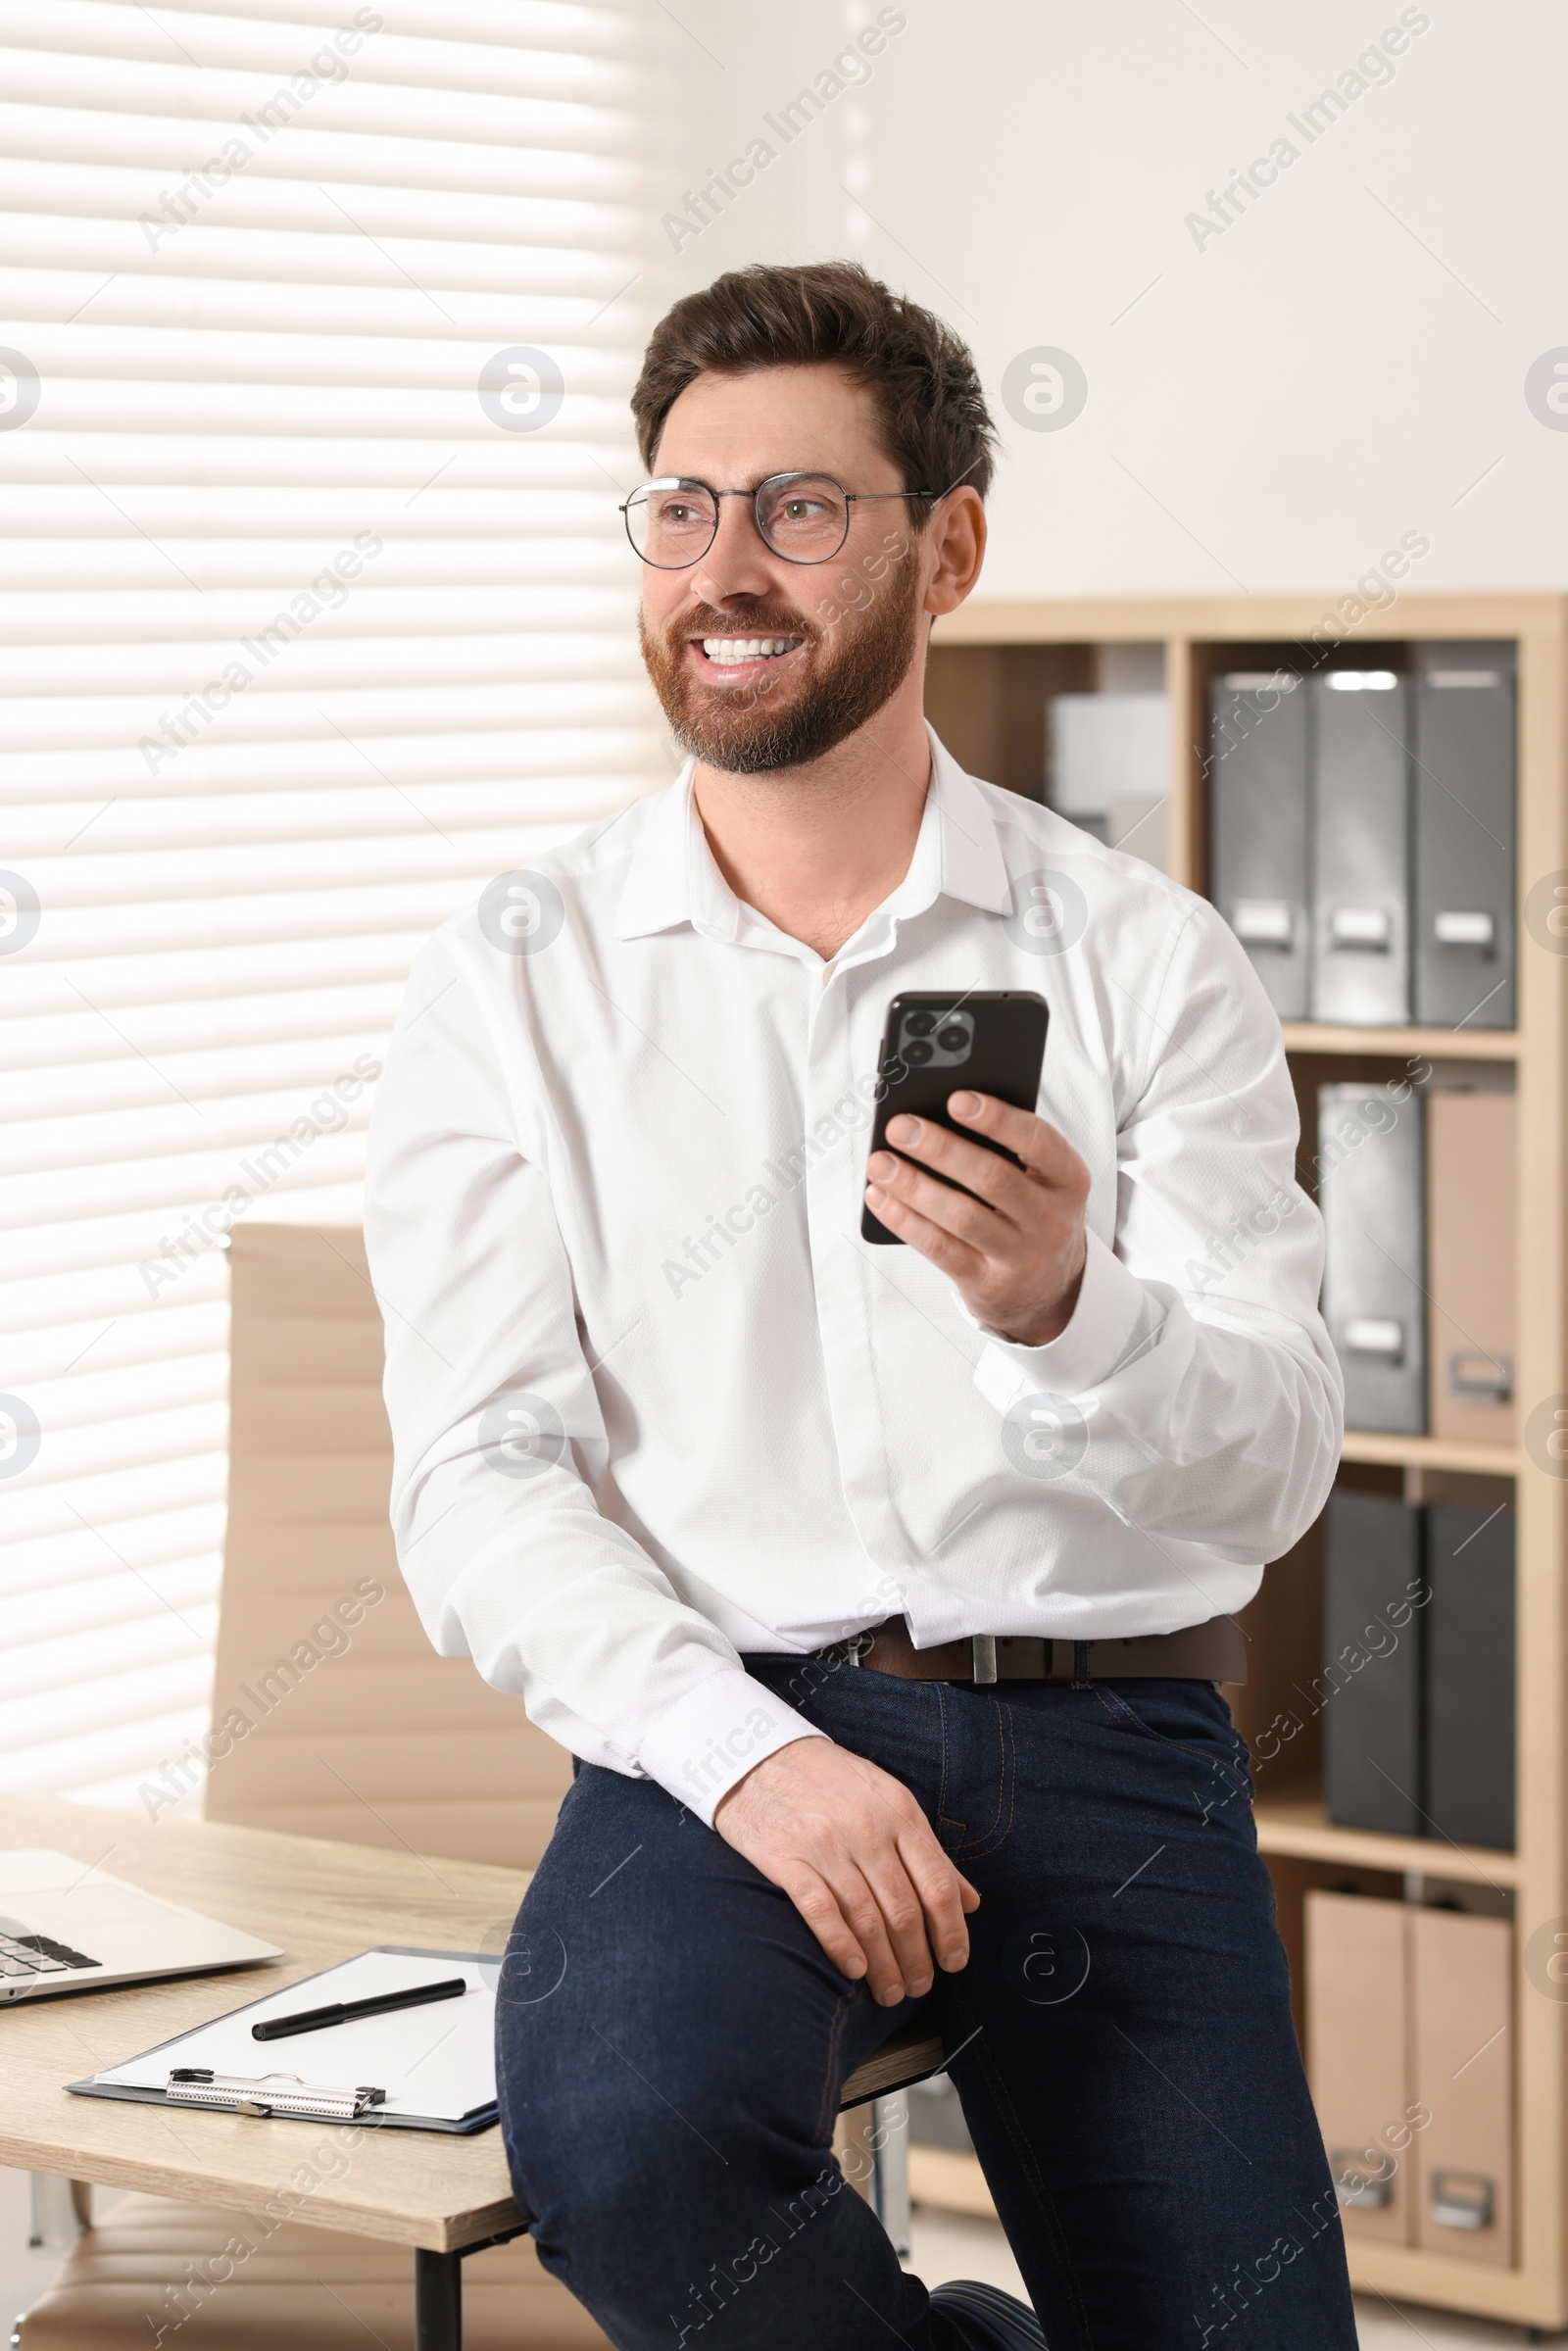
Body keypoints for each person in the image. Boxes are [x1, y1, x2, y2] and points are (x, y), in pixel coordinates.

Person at [365, 261, 1355, 2351]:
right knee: (632, 2161)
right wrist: (746, 1759)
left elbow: (1275, 1461)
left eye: (799, 510)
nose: (723, 568)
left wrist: (1068, 1308)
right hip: (726, 1730)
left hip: (1105, 1728)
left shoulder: (1137, 959)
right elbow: (476, 1474)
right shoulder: (516, 971)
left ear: (947, 547)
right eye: (679, 506)